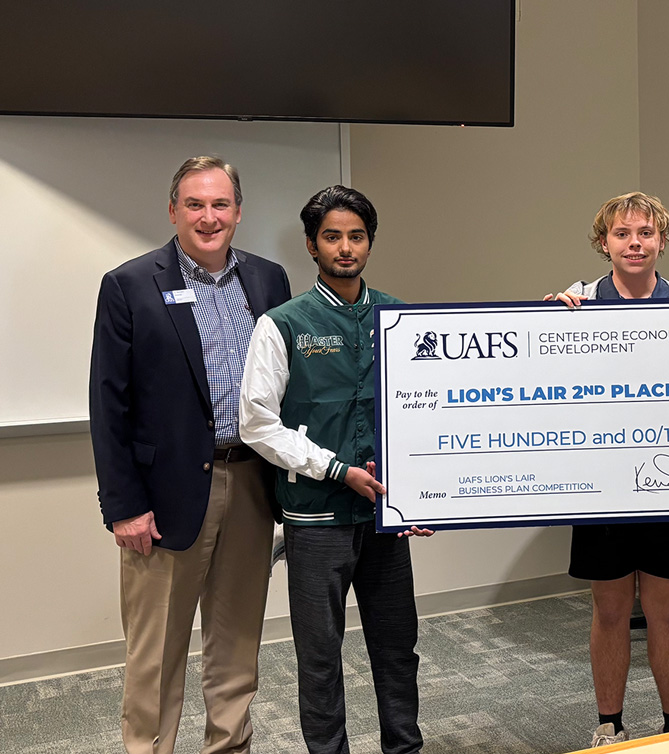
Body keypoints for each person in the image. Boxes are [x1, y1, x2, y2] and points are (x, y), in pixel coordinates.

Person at [89, 156, 291, 753]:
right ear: (173, 210)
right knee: (155, 658)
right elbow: (109, 404)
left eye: (221, 204)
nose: (209, 217)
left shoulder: (268, 280)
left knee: (236, 649)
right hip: (166, 498)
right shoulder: (129, 285)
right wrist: (123, 506)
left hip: (252, 487)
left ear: (237, 211)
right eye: (196, 204)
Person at [239, 185, 432, 754]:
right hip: (315, 517)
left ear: (369, 242)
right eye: (332, 237)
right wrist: (335, 469)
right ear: (311, 245)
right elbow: (257, 424)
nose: (345, 248)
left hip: (384, 518)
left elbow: (428, 412)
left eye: (356, 236)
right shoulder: (282, 324)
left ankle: (404, 747)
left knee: (398, 648)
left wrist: (426, 495)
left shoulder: (398, 316)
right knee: (320, 657)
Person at [548, 191, 669, 746]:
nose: (635, 243)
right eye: (623, 233)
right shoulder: (573, 304)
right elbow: (548, 392)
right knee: (609, 614)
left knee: (668, 613)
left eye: (645, 233)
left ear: (662, 241)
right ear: (603, 242)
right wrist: (544, 328)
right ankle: (610, 726)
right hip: (603, 490)